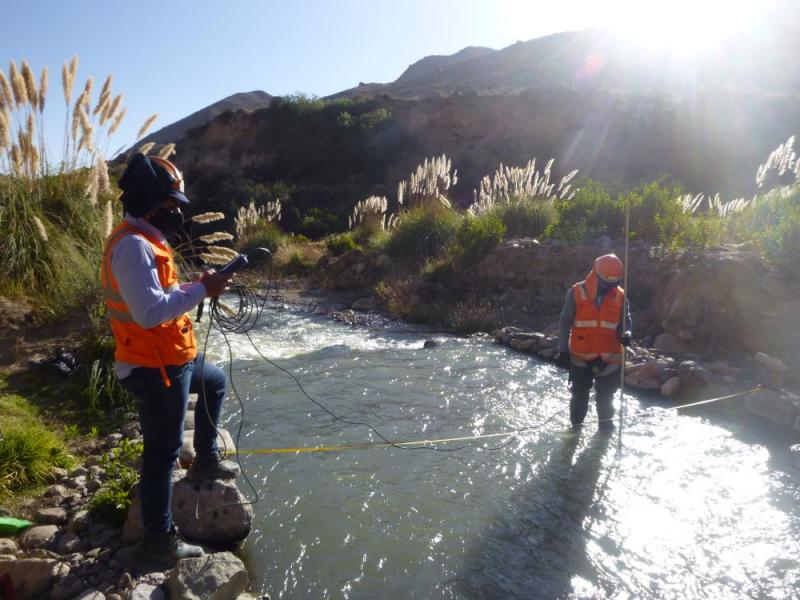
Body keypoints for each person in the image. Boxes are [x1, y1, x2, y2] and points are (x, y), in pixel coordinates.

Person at [101, 153, 238, 565]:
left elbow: (163, 298)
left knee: (213, 382)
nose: (177, 210)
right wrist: (202, 291)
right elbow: (148, 312)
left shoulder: (148, 240)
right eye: (171, 203)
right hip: (152, 369)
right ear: (149, 201)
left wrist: (197, 287)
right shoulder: (130, 247)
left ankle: (205, 460)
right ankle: (158, 542)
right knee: (161, 456)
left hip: (171, 360)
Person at [556, 254, 632, 432]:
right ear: (596, 275)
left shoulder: (620, 296)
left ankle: (605, 432)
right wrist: (563, 350)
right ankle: (575, 430)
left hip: (609, 359)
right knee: (579, 396)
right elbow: (565, 321)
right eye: (608, 284)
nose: (611, 288)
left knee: (606, 398)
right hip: (580, 359)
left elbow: (626, 321)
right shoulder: (576, 292)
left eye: (614, 284)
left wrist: (627, 333)